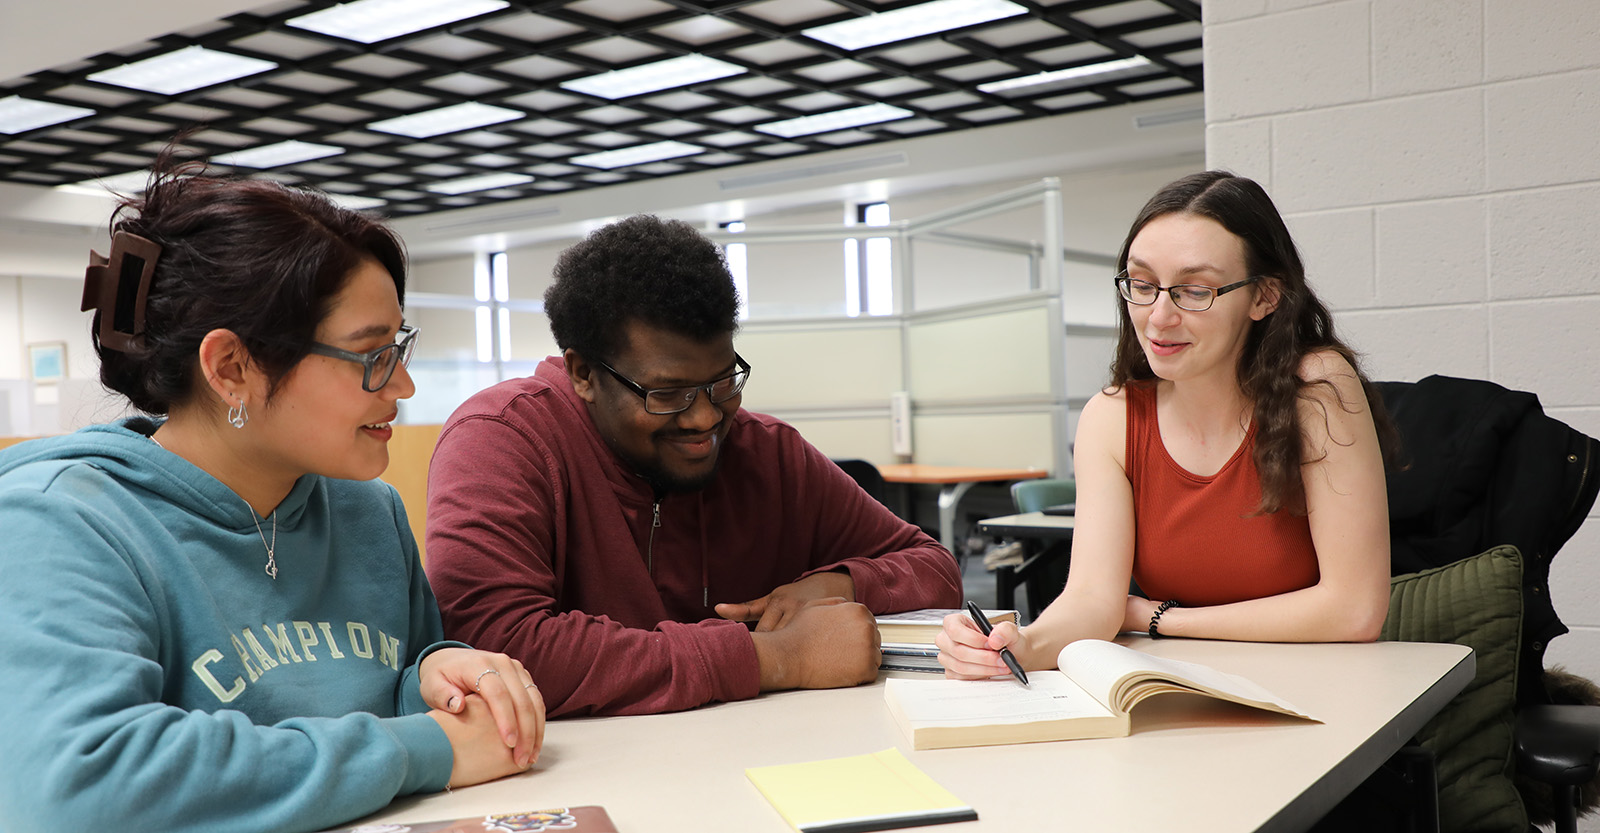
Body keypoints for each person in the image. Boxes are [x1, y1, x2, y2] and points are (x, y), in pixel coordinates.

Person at [0, 163, 545, 833]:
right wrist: (423, 748)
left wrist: (438, 676)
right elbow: (79, 785)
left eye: (400, 346)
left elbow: (372, 695)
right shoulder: (58, 523)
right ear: (231, 368)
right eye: (372, 355)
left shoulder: (368, 511)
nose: (401, 385)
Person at [425, 214, 963, 718]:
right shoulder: (502, 439)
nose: (706, 418)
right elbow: (495, 645)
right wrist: (775, 659)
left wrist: (841, 583)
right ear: (584, 372)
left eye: (723, 381)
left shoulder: (766, 451)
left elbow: (934, 567)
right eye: (667, 393)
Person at [939, 171, 1395, 679]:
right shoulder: (1112, 418)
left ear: (1265, 296)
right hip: (1181, 687)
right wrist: (1020, 646)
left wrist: (1161, 619)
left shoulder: (1316, 386)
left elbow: (1355, 610)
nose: (1158, 317)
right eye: (1142, 284)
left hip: (1324, 689)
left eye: (1194, 290)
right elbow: (1093, 597)